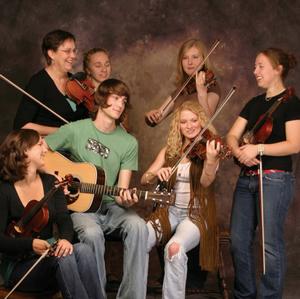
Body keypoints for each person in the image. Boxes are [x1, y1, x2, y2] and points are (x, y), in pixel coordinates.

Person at [45, 78, 148, 299]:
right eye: (115, 97)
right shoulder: (75, 130)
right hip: (82, 209)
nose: (120, 104)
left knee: (139, 225)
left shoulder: (129, 142)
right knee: (92, 234)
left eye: (124, 100)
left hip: (112, 206)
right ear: (101, 98)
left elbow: (121, 191)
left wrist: (126, 200)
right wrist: (53, 182)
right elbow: (39, 152)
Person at [226, 47, 300, 298]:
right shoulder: (254, 103)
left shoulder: (292, 104)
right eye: (254, 66)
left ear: (278, 69)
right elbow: (232, 135)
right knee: (238, 241)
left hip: (275, 178)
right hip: (247, 178)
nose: (254, 71)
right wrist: (238, 150)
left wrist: (257, 147)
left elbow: (294, 144)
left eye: (260, 66)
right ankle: (245, 294)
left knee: (270, 244)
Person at [0, 129, 101, 299]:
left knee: (82, 249)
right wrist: (30, 244)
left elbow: (63, 218)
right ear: (25, 150)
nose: (46, 149)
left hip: (51, 259)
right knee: (64, 259)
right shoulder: (4, 189)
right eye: (40, 144)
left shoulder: (51, 182)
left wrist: (65, 239)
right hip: (20, 267)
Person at [141, 100, 221, 299]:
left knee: (174, 249)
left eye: (194, 120)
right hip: (169, 211)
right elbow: (144, 179)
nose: (189, 125)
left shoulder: (208, 149)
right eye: (184, 122)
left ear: (202, 121)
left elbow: (206, 181)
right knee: (139, 239)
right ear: (178, 125)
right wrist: (157, 173)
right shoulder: (170, 151)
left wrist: (210, 162)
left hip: (196, 214)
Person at [13, 29, 89, 136]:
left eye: (74, 50)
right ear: (51, 54)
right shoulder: (38, 82)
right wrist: (62, 131)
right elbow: (22, 125)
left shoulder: (76, 81)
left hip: (76, 145)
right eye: (67, 51)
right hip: (50, 147)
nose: (73, 56)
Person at [145, 39, 221, 126]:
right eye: (185, 58)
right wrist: (149, 116)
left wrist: (202, 94)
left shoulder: (211, 86)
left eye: (195, 57)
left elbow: (207, 122)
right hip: (178, 139)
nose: (189, 62)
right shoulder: (182, 90)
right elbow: (155, 120)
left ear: (203, 60)